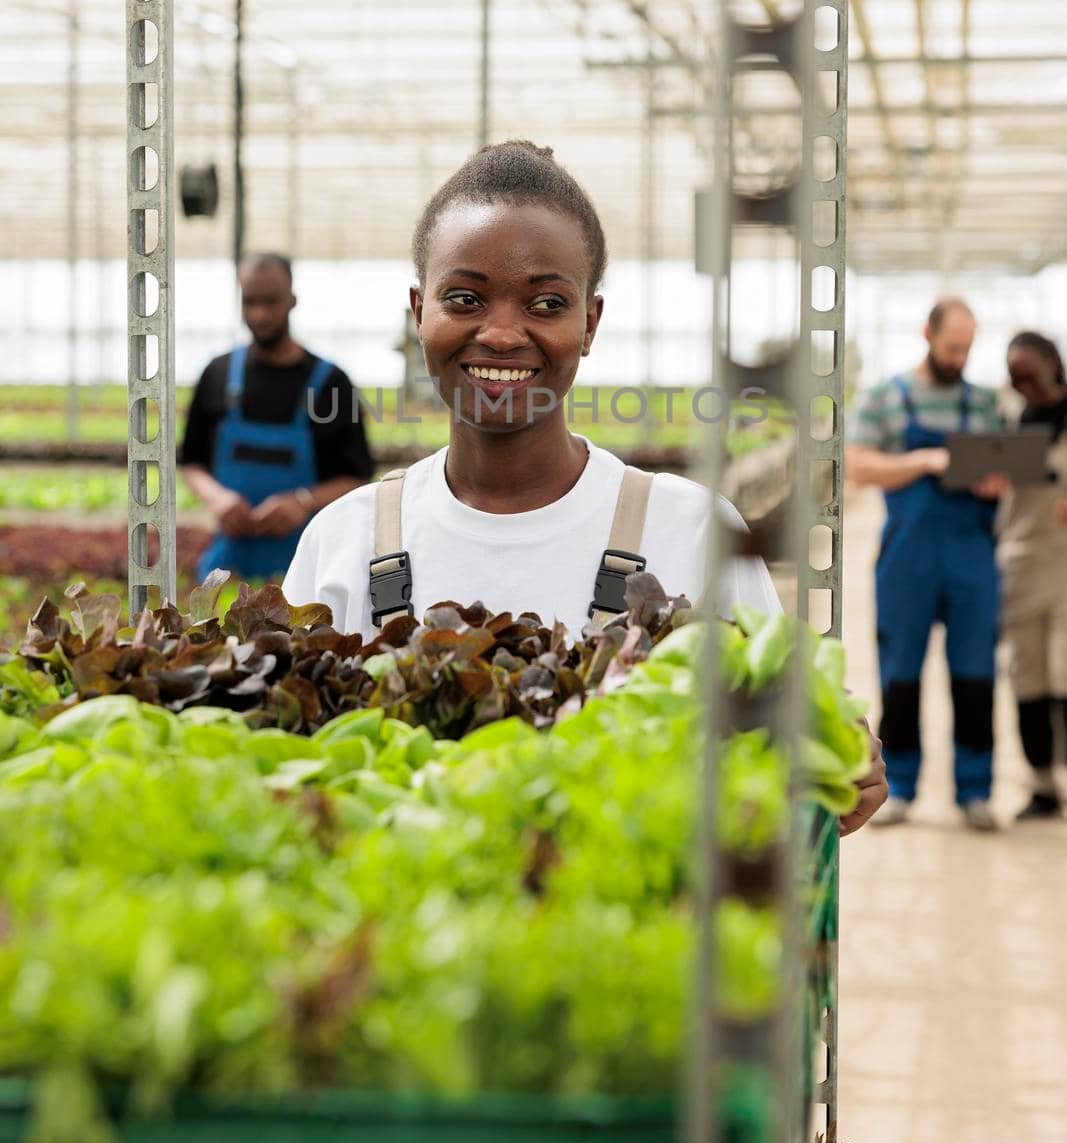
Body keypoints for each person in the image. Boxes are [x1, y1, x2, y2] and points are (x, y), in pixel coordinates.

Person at [285, 140, 887, 836]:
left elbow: (767, 761)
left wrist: (826, 766)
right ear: (419, 312)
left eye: (545, 302)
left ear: (589, 323)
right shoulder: (347, 538)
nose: (503, 333)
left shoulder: (689, 530)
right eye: (464, 298)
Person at [845, 298, 1004, 830]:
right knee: (902, 673)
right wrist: (923, 460)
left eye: (968, 348)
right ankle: (904, 788)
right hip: (908, 557)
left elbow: (1004, 465)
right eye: (952, 347)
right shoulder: (887, 399)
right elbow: (859, 464)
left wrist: (993, 478)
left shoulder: (983, 404)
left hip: (972, 554)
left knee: (976, 675)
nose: (960, 357)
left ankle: (976, 791)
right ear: (927, 334)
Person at [181, 252, 374, 582]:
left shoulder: (330, 383)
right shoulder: (217, 373)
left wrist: (302, 502)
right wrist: (218, 498)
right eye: (250, 302)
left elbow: (358, 478)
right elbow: (191, 462)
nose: (260, 314)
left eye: (271, 302)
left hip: (308, 571)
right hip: (227, 567)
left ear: (292, 300)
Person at [997, 331, 1067, 820]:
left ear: (1052, 364)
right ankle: (1041, 784)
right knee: (1028, 679)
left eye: (1029, 374)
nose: (1023, 385)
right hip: (1021, 563)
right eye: (1014, 376)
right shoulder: (1008, 419)